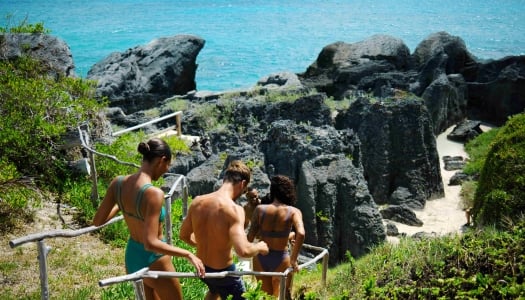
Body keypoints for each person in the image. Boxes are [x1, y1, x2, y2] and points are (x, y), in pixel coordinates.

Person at [93, 138, 205, 300]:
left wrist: (121, 202)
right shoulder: (153, 193)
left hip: (132, 257)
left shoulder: (118, 183)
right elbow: (150, 242)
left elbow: (97, 221)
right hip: (155, 259)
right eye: (167, 165)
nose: (166, 170)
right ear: (162, 160)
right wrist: (188, 254)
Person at [179, 160, 269, 300]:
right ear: (243, 184)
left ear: (224, 179)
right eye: (245, 191)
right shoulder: (234, 210)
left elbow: (183, 235)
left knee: (214, 291)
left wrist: (202, 244)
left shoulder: (197, 201)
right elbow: (243, 251)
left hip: (203, 269)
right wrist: (260, 246)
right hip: (224, 274)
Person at [247, 175, 305, 299]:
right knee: (284, 295)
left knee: (266, 297)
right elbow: (301, 233)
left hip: (261, 258)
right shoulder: (294, 211)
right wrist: (294, 260)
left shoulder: (260, 209)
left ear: (272, 191)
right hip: (282, 258)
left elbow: (250, 238)